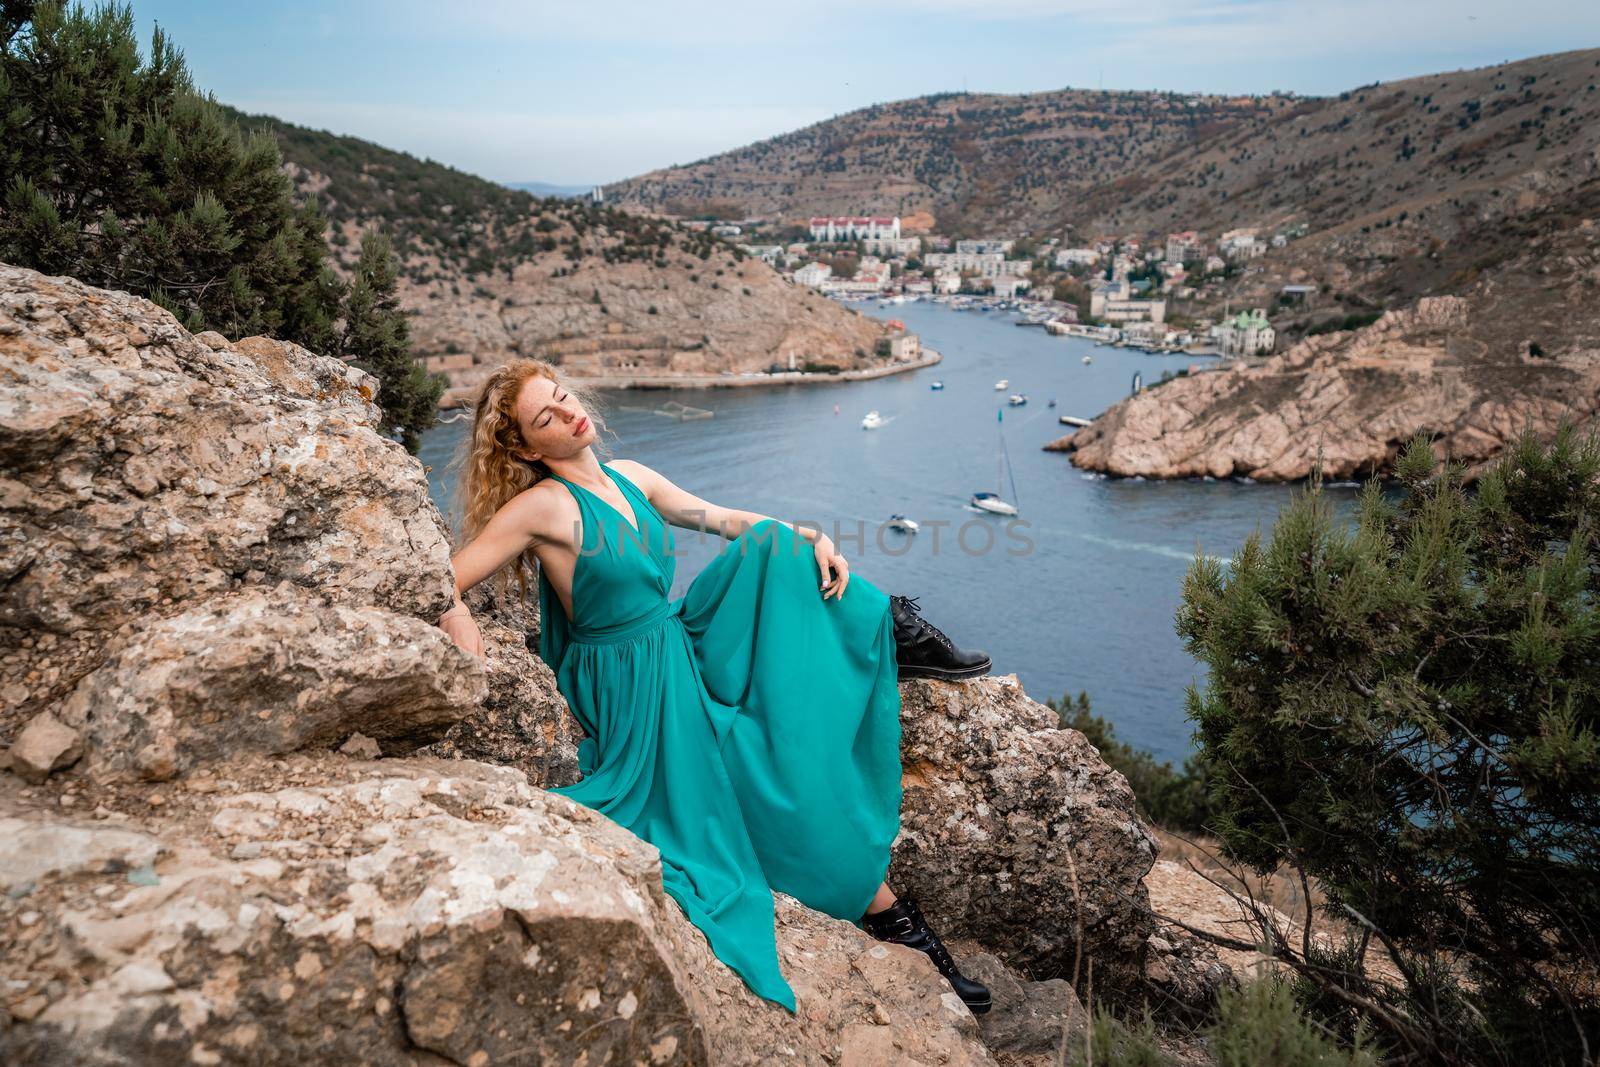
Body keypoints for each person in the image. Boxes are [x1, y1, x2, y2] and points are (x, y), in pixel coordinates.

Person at [435, 358, 994, 1014]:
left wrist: (811, 535)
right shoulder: (541, 507)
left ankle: (894, 627)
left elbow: (722, 518)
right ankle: (900, 924)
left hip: (675, 641)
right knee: (768, 772)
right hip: (633, 691)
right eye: (546, 417)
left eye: (563, 397)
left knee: (776, 548)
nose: (569, 413)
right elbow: (444, 576)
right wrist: (462, 633)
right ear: (528, 447)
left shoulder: (630, 477)